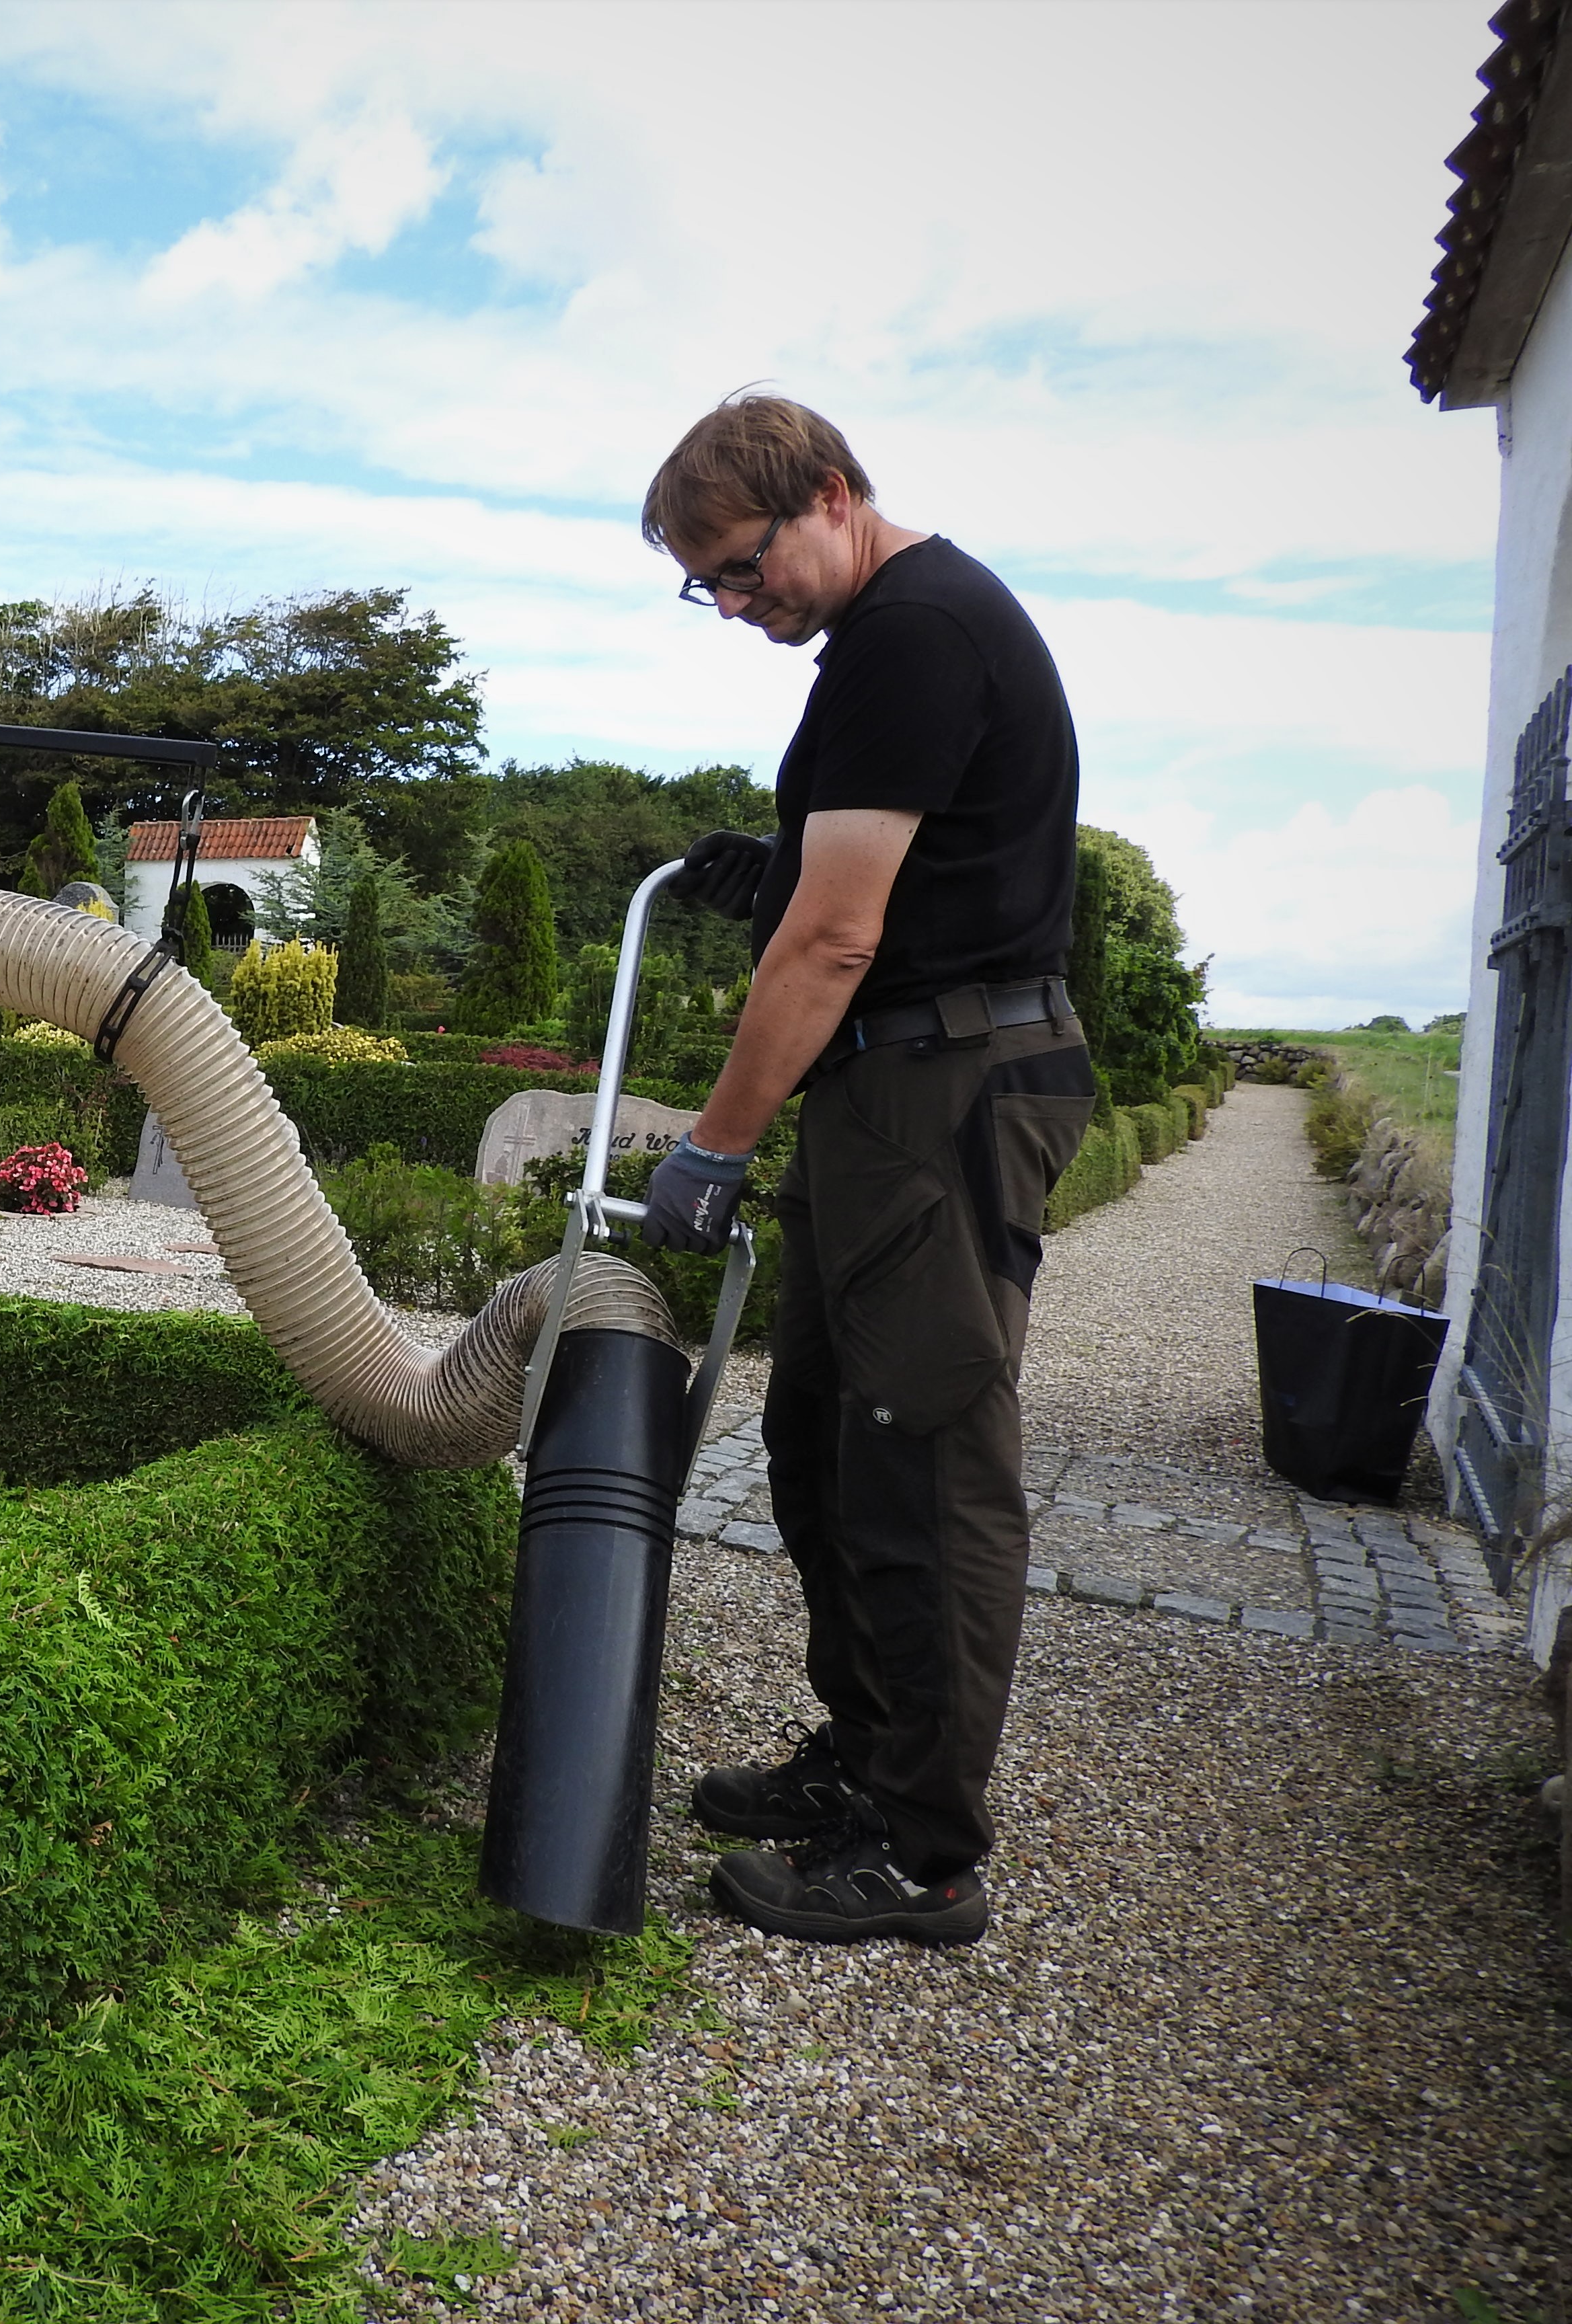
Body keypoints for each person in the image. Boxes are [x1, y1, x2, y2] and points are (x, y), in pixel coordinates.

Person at [633, 393, 1095, 1947]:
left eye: (746, 569)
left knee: (927, 1459)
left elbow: (836, 942)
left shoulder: (918, 632)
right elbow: (880, 883)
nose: (734, 605)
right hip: (892, 1081)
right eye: (709, 585)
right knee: (826, 1441)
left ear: (832, 495)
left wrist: (715, 1143)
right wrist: (767, 862)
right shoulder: (882, 644)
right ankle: (870, 1755)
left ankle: (925, 1854)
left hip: (945, 1090)